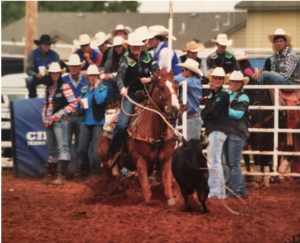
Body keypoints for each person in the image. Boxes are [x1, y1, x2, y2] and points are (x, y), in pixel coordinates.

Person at [108, 32, 160, 176]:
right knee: (122, 125)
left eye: (138, 45)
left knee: (161, 119)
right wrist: (122, 88)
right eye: (134, 46)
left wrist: (150, 79)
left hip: (147, 96)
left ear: (141, 46)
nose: (136, 48)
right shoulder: (125, 59)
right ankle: (114, 155)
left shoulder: (147, 57)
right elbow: (119, 77)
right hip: (130, 97)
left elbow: (157, 72)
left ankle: (160, 158)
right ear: (129, 46)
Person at [39, 62, 78, 185]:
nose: (55, 75)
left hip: (59, 120)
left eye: (56, 73)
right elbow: (46, 104)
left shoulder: (64, 86)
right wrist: (44, 115)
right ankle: (52, 175)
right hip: (50, 120)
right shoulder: (48, 89)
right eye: (53, 73)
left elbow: (73, 103)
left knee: (63, 146)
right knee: (52, 149)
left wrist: (60, 114)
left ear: (59, 74)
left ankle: (61, 175)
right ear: (50, 74)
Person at [201, 67, 230, 199]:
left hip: (217, 129)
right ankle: (219, 192)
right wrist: (208, 114)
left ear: (223, 80)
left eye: (219, 78)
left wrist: (208, 114)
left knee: (214, 161)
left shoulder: (223, 95)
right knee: (215, 160)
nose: (217, 80)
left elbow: (209, 111)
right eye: (216, 78)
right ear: (212, 79)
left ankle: (215, 192)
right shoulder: (215, 95)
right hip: (215, 129)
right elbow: (208, 112)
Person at [78, 65, 108, 179]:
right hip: (86, 122)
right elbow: (80, 110)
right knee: (81, 149)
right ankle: (84, 172)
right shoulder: (84, 90)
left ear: (98, 76)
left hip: (98, 122)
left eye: (95, 75)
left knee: (96, 151)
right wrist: (80, 105)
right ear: (87, 77)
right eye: (91, 75)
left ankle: (95, 174)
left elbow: (100, 101)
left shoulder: (102, 88)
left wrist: (96, 87)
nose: (93, 77)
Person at [223, 70, 250, 198]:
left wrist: (223, 108)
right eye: (233, 81)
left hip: (237, 131)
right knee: (231, 163)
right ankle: (241, 190)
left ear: (241, 83)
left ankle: (234, 191)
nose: (234, 83)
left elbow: (238, 115)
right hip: (231, 131)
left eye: (237, 81)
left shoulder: (243, 97)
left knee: (233, 163)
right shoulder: (231, 95)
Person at [62, 54, 88, 182]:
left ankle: (78, 174)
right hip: (68, 116)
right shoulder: (63, 79)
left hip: (81, 116)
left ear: (79, 67)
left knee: (80, 145)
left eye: (75, 66)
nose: (73, 68)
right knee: (65, 144)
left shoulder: (85, 80)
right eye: (72, 66)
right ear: (69, 67)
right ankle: (63, 173)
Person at [174, 58, 203, 141]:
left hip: (191, 119)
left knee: (191, 148)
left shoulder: (193, 82)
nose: (181, 73)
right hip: (189, 118)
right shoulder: (192, 81)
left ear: (188, 71)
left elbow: (176, 78)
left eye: (183, 70)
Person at [101, 36, 127, 106]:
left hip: (125, 79)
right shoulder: (113, 55)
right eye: (116, 47)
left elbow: (126, 71)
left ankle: (111, 102)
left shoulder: (127, 55)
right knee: (104, 81)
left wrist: (111, 76)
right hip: (117, 78)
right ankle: (111, 102)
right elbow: (106, 67)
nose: (117, 48)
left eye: (119, 46)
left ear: (123, 46)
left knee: (109, 81)